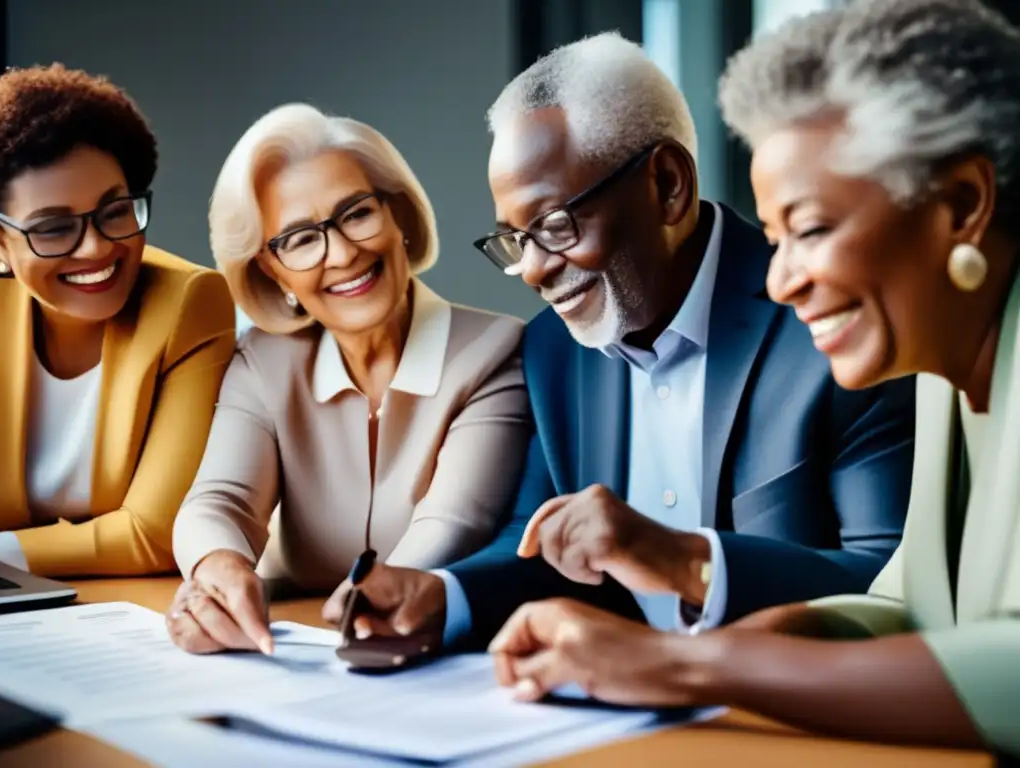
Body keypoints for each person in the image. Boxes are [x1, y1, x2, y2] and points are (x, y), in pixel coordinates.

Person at [483, 0, 1020, 756]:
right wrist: (737, 642)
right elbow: (907, 604)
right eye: (773, 238)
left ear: (962, 204)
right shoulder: (946, 369)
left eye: (810, 230)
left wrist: (688, 664)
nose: (780, 281)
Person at [323, 33, 915, 655]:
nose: (532, 270)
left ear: (667, 184)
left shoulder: (831, 323)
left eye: (554, 225)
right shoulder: (552, 348)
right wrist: (444, 595)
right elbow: (534, 536)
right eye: (515, 239)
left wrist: (678, 557)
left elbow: (890, 584)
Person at [166, 104, 530, 655]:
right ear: (271, 270)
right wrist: (217, 570)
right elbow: (219, 503)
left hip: (423, 649)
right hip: (290, 643)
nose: (341, 253)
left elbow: (454, 521)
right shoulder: (262, 362)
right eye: (299, 239)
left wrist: (370, 600)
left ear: (398, 217)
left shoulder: (494, 350)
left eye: (356, 213)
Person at [0, 64, 235, 577]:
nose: (98, 247)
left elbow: (153, 535)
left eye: (115, 211)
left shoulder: (189, 304)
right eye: (54, 228)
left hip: (120, 613)